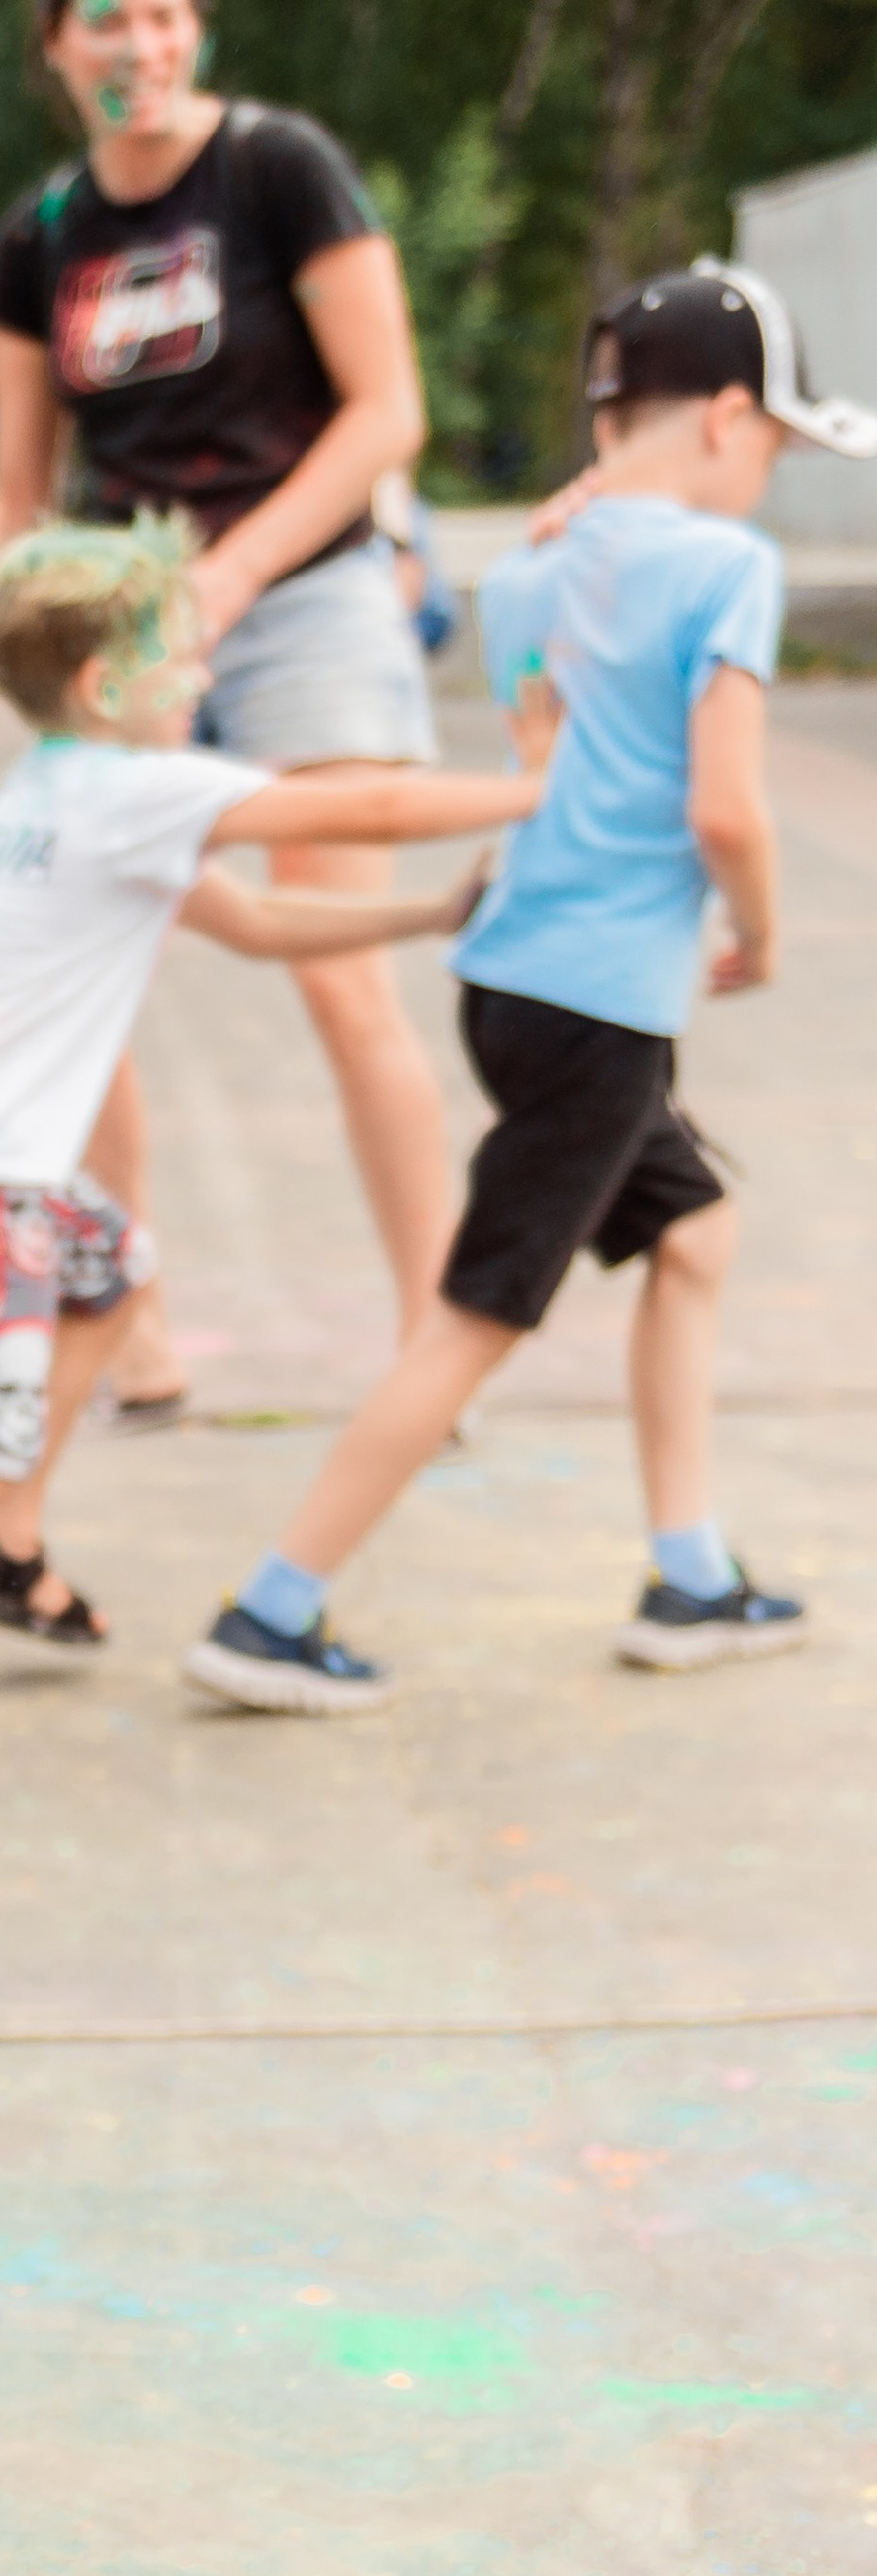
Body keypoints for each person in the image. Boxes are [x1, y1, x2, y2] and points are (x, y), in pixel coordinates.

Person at [0, 520, 542, 1791]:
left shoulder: (65, 785)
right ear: (103, 684)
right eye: (182, 655)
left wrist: (430, 912)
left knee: (109, 1268)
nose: (203, 676)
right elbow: (371, 801)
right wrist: (534, 787)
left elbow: (261, 918)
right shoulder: (128, 790)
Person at [184, 265, 877, 1717]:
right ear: (726, 418)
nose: (766, 474)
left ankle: (690, 1575)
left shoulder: (528, 569)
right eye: (772, 443)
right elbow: (728, 810)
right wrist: (761, 934)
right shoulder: (727, 568)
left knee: (693, 1232)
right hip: (602, 1002)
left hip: (513, 979)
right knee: (478, 1316)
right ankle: (270, 1610)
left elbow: (546, 748)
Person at [0, 0, 442, 1437]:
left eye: (160, 13)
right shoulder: (39, 238)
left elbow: (388, 413)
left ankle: (433, 1340)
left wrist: (234, 576)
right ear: (56, 47)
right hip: (126, 630)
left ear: (192, 30)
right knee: (80, 970)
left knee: (341, 973)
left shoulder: (277, 169)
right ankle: (130, 1323)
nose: (135, 45)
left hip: (305, 593)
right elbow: (16, 493)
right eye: (103, 19)